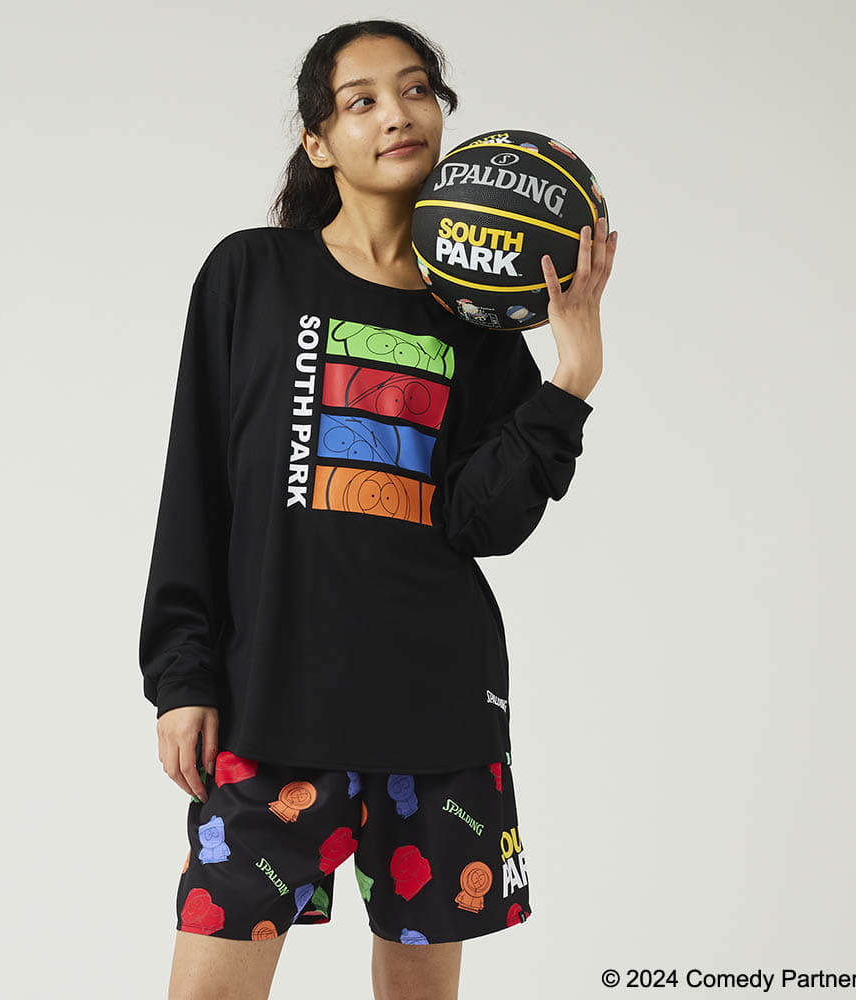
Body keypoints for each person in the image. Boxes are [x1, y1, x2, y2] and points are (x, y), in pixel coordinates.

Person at [138, 19, 616, 1000]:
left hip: (435, 714)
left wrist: (570, 375)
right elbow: (196, 486)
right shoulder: (251, 274)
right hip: (272, 706)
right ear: (318, 142)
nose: (397, 114)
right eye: (362, 101)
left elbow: (482, 526)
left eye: (416, 90)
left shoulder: (480, 323)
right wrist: (181, 676)